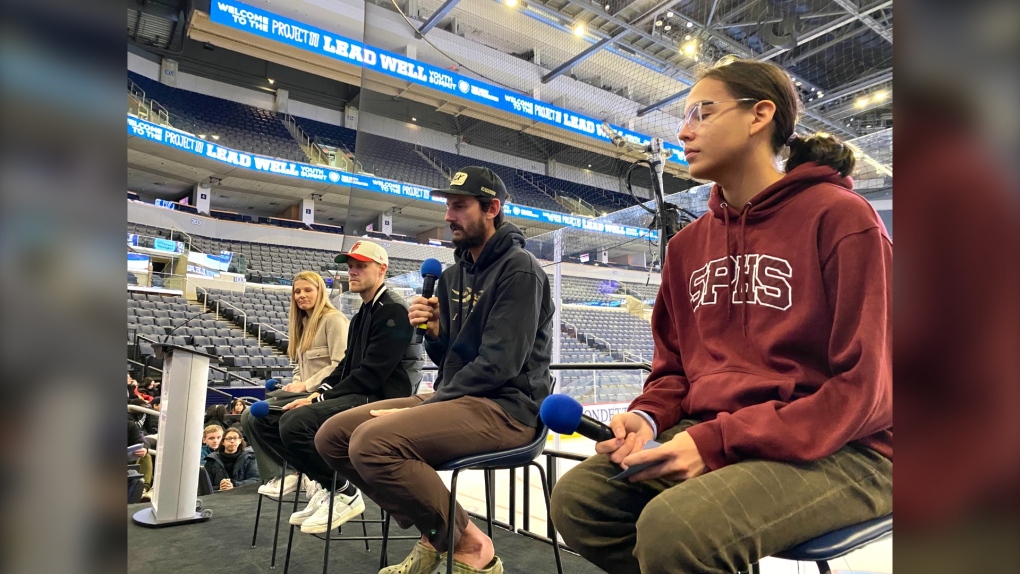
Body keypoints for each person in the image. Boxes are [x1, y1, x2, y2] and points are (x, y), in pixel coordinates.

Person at [549, 57, 893, 574]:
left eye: (701, 113)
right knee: (581, 503)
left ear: (759, 115)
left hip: (850, 444)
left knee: (678, 531)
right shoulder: (688, 247)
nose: (683, 131)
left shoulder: (841, 217)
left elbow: (867, 390)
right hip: (721, 428)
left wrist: (715, 442)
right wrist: (646, 417)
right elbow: (674, 372)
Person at [314, 166, 554, 574]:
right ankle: (448, 533)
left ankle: (466, 548)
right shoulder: (451, 276)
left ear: (492, 208)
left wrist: (423, 407)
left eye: (459, 207)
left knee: (371, 442)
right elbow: (450, 360)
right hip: (461, 397)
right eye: (448, 206)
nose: (448, 216)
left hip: (510, 407)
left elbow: (499, 365)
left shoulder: (520, 270)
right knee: (333, 436)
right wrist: (437, 333)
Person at [249, 241, 423, 535]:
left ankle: (344, 490)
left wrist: (320, 397)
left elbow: (371, 375)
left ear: (382, 269)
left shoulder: (392, 308)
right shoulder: (361, 315)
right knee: (263, 419)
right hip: (360, 392)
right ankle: (325, 484)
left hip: (383, 398)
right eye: (350, 266)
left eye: (361, 266)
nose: (352, 271)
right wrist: (318, 395)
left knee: (295, 423)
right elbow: (345, 367)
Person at [241, 270, 350, 498]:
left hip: (324, 393)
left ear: (320, 291)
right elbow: (298, 366)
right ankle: (286, 473)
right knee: (247, 415)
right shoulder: (301, 323)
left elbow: (340, 364)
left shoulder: (334, 319)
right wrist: (296, 383)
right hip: (304, 390)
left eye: (307, 290)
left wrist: (306, 385)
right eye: (297, 291)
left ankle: (296, 472)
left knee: (258, 415)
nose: (301, 295)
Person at [204, 427, 260, 491]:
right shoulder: (212, 460)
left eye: (235, 438)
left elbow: (256, 480)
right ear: (223, 442)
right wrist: (220, 487)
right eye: (229, 438)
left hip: (241, 496)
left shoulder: (249, 458)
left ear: (240, 441)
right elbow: (205, 484)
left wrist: (234, 484)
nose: (232, 441)